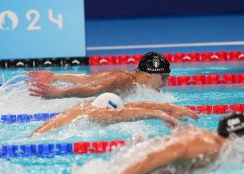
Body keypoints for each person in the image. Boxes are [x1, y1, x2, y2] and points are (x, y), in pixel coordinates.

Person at [110, 112, 244, 174]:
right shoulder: (209, 147)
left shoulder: (212, 140)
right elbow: (155, 157)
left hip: (129, 166)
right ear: (241, 136)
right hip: (125, 173)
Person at [29, 93, 199, 137]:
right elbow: (120, 113)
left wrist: (167, 107)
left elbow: (129, 106)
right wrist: (158, 114)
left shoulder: (87, 108)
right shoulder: (95, 113)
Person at [27, 52, 171, 98]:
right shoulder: (123, 80)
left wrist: (56, 77)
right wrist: (60, 92)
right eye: (163, 77)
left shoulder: (130, 81)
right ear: (148, 74)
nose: (164, 83)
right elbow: (94, 88)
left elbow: (88, 79)